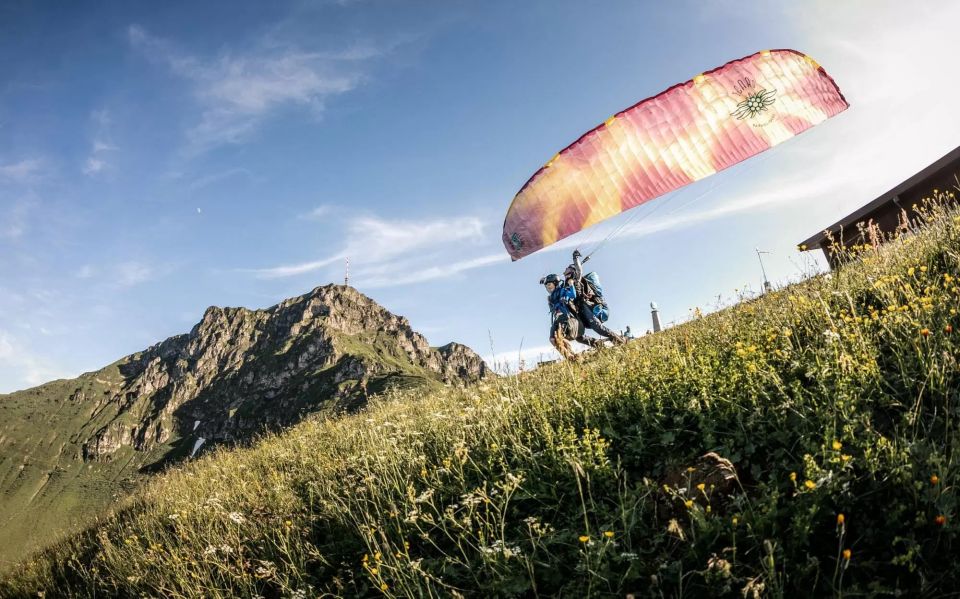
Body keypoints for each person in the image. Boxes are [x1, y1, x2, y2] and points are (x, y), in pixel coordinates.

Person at [565, 250, 626, 345]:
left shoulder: (576, 279)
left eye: (568, 270)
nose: (565, 272)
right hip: (579, 310)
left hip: (586, 306)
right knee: (578, 335)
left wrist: (575, 257)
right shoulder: (567, 285)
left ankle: (620, 342)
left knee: (598, 328)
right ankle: (598, 344)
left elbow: (579, 270)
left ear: (572, 272)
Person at [540, 273, 602, 360]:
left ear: (555, 283)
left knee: (561, 338)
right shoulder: (551, 297)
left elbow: (573, 295)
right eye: (546, 286)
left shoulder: (562, 291)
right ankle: (570, 356)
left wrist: (571, 284)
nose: (548, 288)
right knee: (552, 339)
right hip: (557, 320)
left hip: (566, 318)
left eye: (549, 285)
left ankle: (572, 357)